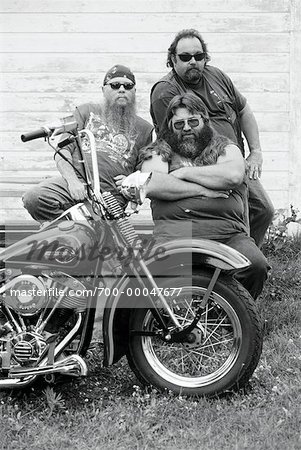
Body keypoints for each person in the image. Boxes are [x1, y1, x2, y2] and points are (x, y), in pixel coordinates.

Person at [121, 93, 269, 299]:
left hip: (227, 235)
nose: (187, 128)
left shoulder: (225, 148)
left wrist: (182, 173)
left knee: (255, 265)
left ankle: (234, 311)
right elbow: (152, 182)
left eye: (193, 121)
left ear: (205, 121)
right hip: (174, 234)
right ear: (170, 127)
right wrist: (204, 189)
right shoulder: (159, 151)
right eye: (179, 124)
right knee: (139, 280)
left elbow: (233, 175)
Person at [150, 28, 274, 248]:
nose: (193, 62)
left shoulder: (216, 75)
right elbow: (175, 139)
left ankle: (243, 264)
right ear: (172, 59)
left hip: (233, 158)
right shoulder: (165, 92)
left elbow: (244, 111)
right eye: (185, 57)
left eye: (199, 56)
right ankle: (232, 270)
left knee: (263, 210)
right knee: (235, 214)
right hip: (204, 164)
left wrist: (256, 151)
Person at [23, 65, 154, 222]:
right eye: (114, 85)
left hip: (110, 196)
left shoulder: (145, 129)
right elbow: (62, 150)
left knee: (97, 234)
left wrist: (131, 181)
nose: (121, 89)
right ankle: (75, 230)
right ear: (103, 90)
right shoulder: (85, 111)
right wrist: (73, 182)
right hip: (75, 186)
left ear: (134, 91)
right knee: (34, 198)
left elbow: (145, 173)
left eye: (127, 86)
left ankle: (79, 231)